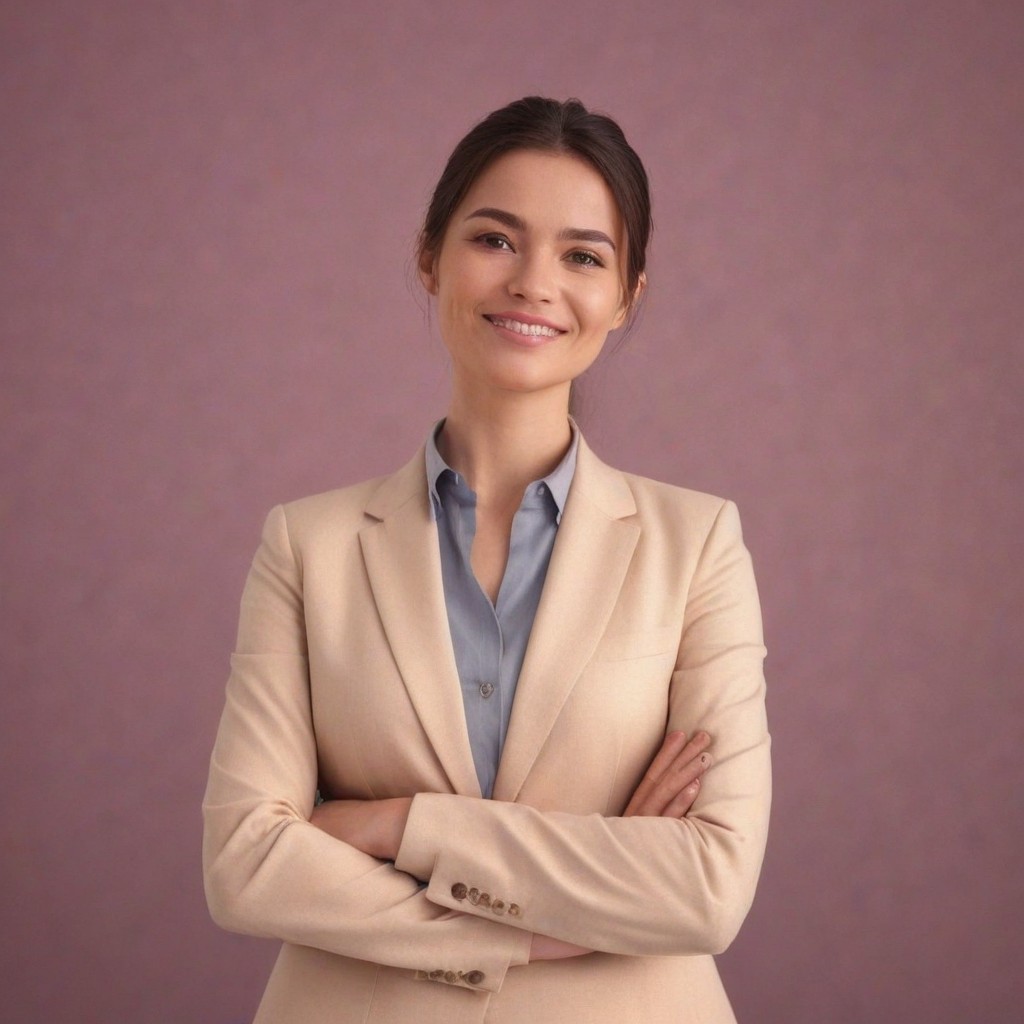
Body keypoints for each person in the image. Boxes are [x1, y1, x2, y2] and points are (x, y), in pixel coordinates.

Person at [203, 96, 770, 1024]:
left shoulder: (697, 544)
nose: (535, 284)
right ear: (430, 258)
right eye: (496, 240)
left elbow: (707, 886)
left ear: (627, 296)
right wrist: (545, 923)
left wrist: (396, 824)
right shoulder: (306, 545)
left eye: (583, 255)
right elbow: (246, 866)